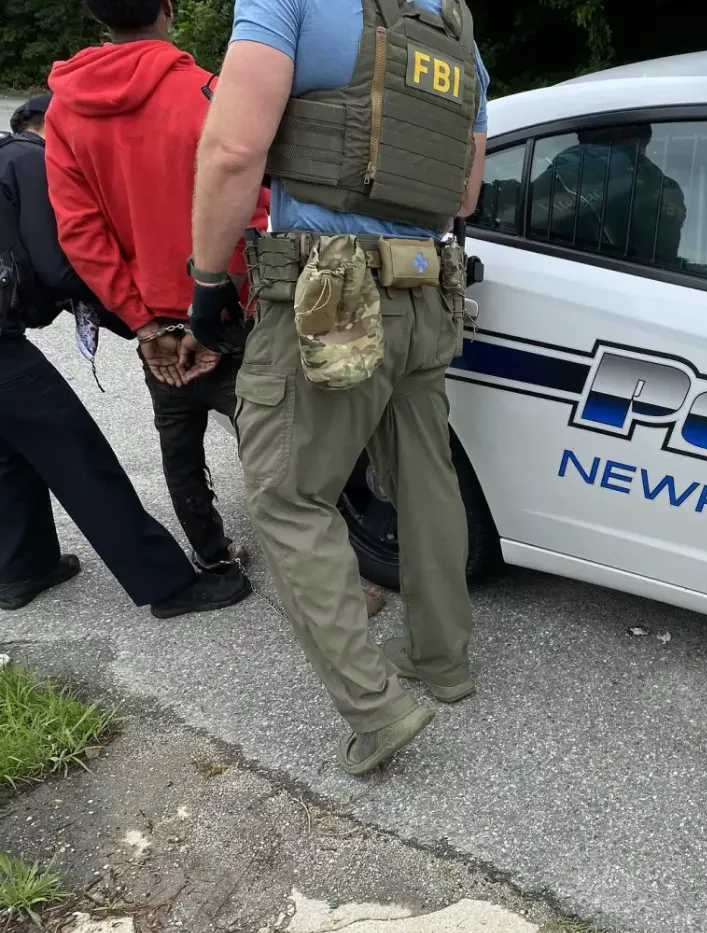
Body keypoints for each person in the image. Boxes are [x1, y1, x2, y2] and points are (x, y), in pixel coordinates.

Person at [191, 0, 489, 773]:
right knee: (425, 476)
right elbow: (463, 197)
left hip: (335, 296)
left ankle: (376, 709)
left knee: (288, 497)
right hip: (426, 290)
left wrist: (207, 281)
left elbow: (232, 150)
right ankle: (444, 661)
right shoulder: (456, 29)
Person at [0, 95, 251, 617]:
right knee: (79, 457)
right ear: (51, 125)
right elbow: (60, 266)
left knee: (7, 450)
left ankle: (24, 568)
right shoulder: (31, 158)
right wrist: (148, 327)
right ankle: (168, 586)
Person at [43, 0, 265, 584]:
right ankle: (315, 568)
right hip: (227, 309)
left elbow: (80, 232)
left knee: (178, 437)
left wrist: (143, 325)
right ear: (168, 9)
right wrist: (215, 311)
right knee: (272, 441)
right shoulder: (210, 92)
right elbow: (253, 211)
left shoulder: (65, 110)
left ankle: (213, 554)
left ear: (99, 17)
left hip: (155, 324)